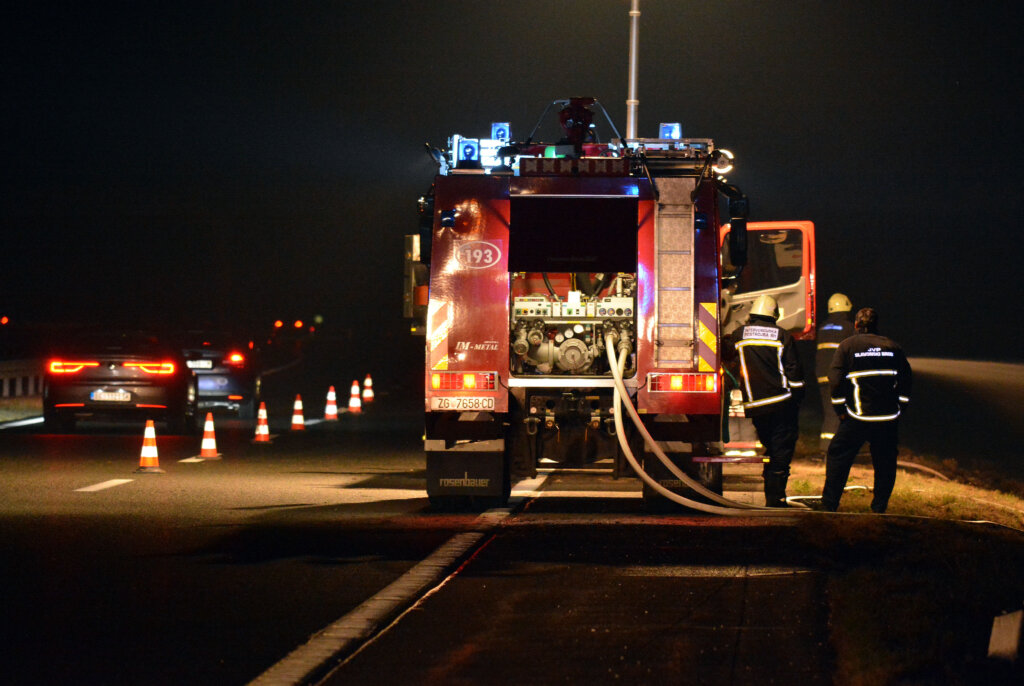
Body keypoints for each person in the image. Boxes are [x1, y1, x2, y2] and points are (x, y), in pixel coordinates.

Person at [818, 307, 912, 513]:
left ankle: (829, 504)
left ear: (857, 325)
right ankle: (879, 508)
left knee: (838, 455)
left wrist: (840, 408)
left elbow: (834, 380)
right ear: (876, 325)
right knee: (885, 463)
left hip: (857, 417)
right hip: (887, 418)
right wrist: (901, 407)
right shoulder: (893, 346)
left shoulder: (848, 346)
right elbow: (906, 381)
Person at [724, 294, 804, 507]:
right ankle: (775, 499)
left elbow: (727, 357)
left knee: (771, 447)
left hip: (755, 407)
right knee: (781, 451)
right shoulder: (783, 336)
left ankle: (772, 491)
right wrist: (797, 398)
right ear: (774, 314)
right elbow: (794, 372)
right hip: (781, 403)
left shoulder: (739, 335)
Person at [815, 293, 856, 450]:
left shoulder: (823, 327)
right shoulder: (848, 327)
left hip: (822, 376)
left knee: (829, 412)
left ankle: (828, 446)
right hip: (838, 377)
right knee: (838, 413)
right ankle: (831, 449)